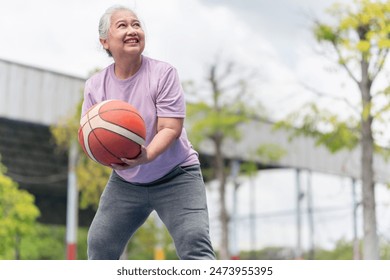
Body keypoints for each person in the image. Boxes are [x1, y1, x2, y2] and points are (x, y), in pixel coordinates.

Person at [81, 5, 215, 260]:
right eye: (122, 26)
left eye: (136, 24)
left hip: (177, 175)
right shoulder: (95, 86)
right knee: (99, 246)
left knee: (194, 242)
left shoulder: (163, 74)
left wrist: (147, 154)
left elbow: (171, 128)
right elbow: (90, 138)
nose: (132, 30)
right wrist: (105, 155)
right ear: (105, 41)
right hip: (126, 182)